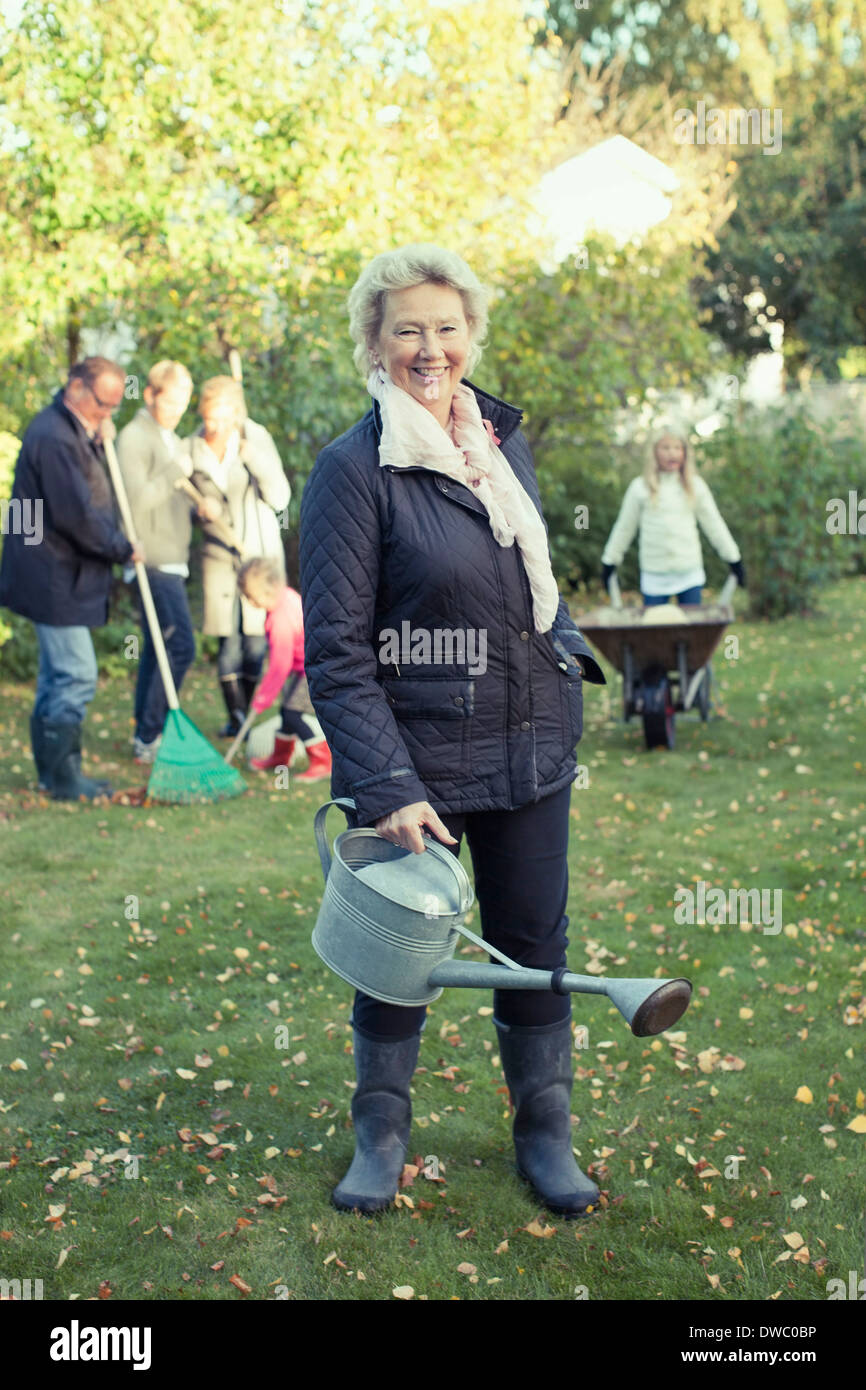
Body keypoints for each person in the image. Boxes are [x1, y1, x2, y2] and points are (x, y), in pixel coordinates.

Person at [299, 244, 605, 1217]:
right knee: (400, 948)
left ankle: (543, 1133)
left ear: (468, 335)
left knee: (529, 944)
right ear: (374, 345)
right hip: (416, 764)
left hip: (529, 748)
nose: (428, 349)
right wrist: (384, 785)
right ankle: (379, 1135)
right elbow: (337, 651)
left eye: (444, 328)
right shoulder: (353, 470)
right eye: (406, 331)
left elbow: (527, 580)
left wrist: (566, 655)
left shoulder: (497, 443)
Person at [0, 356, 143, 799]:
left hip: (55, 572)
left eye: (116, 406)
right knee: (77, 674)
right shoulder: (55, 437)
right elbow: (76, 513)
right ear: (76, 388)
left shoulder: (72, 431)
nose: (108, 414)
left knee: (55, 676)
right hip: (51, 573)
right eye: (103, 403)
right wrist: (121, 547)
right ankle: (64, 777)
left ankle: (51, 774)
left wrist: (99, 442)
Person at [116, 361, 221, 762]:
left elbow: (171, 494)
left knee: (157, 648)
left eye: (183, 402)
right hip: (151, 560)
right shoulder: (133, 439)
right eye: (171, 400)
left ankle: (144, 735)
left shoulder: (168, 437)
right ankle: (151, 732)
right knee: (179, 646)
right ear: (149, 395)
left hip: (172, 557)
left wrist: (199, 507)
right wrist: (178, 469)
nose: (179, 409)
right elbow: (135, 503)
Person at [180, 377, 290, 738]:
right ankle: (236, 716)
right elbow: (178, 496)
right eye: (209, 418)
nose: (214, 426)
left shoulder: (255, 438)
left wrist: (253, 458)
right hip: (218, 555)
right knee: (226, 638)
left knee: (256, 639)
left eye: (221, 419)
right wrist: (198, 509)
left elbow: (281, 498)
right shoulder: (191, 448)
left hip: (257, 555)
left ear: (236, 413)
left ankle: (247, 712)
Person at [600, 428, 745, 605]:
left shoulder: (695, 486)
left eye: (677, 448)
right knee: (655, 630)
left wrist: (733, 558)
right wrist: (610, 561)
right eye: (666, 448)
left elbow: (714, 524)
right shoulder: (640, 488)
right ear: (654, 453)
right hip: (655, 575)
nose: (672, 453)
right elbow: (624, 528)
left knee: (690, 631)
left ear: (684, 453)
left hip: (689, 573)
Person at [236, 556, 332, 782]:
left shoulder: (281, 621)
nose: (250, 601)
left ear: (268, 589)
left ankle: (322, 761)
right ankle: (281, 757)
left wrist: (262, 699)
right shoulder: (285, 596)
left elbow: (280, 666)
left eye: (251, 596)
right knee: (286, 713)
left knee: (292, 713)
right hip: (307, 664)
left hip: (316, 666)